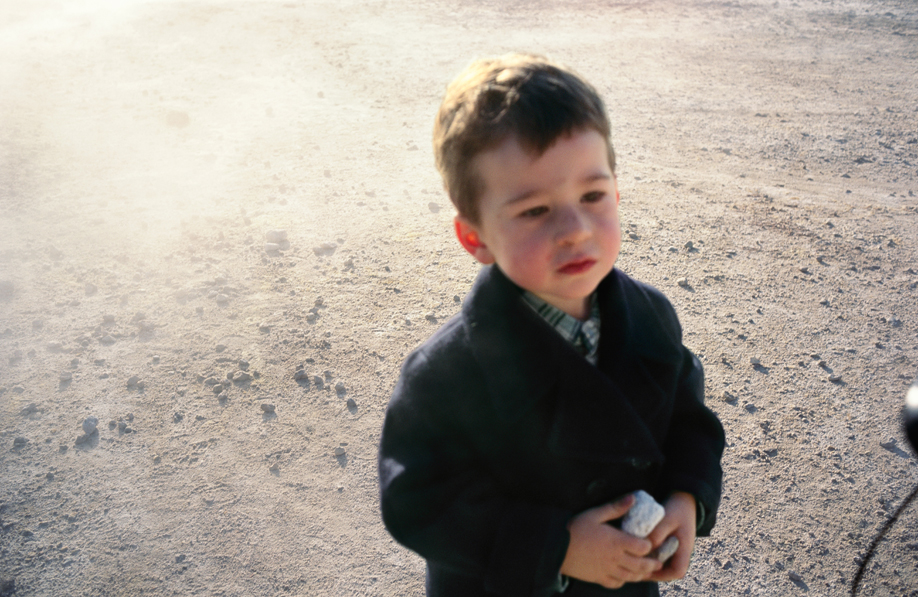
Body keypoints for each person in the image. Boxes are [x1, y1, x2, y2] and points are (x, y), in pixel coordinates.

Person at [378, 53, 725, 597]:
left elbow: (688, 419)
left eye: (592, 195)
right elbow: (418, 500)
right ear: (476, 238)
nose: (575, 229)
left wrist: (687, 496)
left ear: (617, 189)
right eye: (535, 210)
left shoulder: (650, 317)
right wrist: (557, 547)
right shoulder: (449, 372)